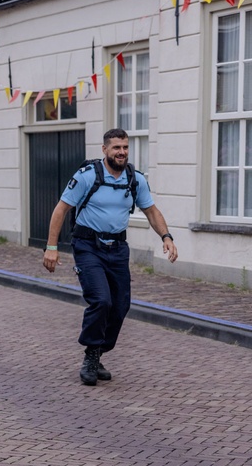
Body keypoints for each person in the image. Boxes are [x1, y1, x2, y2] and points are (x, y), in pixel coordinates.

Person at [43, 127, 178, 386]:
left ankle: (98, 352)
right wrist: (51, 246)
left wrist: (167, 237)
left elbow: (151, 211)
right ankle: (91, 355)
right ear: (104, 149)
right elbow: (61, 209)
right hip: (87, 246)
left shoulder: (134, 179)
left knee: (120, 306)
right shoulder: (86, 176)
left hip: (117, 249)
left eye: (125, 147)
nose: (122, 152)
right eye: (116, 147)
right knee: (101, 301)